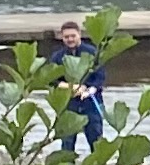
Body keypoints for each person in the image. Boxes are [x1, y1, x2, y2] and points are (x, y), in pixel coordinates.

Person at [45, 17, 109, 155]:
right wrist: (69, 87)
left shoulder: (92, 52)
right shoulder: (57, 57)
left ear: (79, 34)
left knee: (95, 135)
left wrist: (88, 89)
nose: (70, 39)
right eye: (66, 37)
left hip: (90, 100)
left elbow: (100, 76)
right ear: (62, 38)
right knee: (67, 138)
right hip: (69, 102)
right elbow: (51, 80)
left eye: (73, 36)